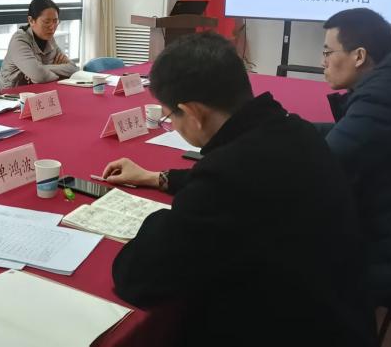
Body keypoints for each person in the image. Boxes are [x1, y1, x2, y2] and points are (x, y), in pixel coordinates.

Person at [101, 32, 376, 347]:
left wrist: (158, 221)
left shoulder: (227, 177)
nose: (172, 124)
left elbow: (137, 277)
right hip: (343, 317)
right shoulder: (293, 130)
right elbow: (247, 178)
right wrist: (160, 178)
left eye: (170, 115)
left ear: (193, 112)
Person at [320, 8, 391, 307]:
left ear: (359, 56)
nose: (323, 62)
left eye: (328, 52)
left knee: (294, 259)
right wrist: (292, 129)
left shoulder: (384, 95)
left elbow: (325, 165)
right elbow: (348, 135)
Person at [1, 0, 78, 88]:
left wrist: (41, 68)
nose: (52, 27)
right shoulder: (19, 40)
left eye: (55, 21)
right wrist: (59, 73)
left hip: (42, 91)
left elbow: (73, 69)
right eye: (47, 22)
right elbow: (40, 76)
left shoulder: (49, 38)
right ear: (31, 20)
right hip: (12, 93)